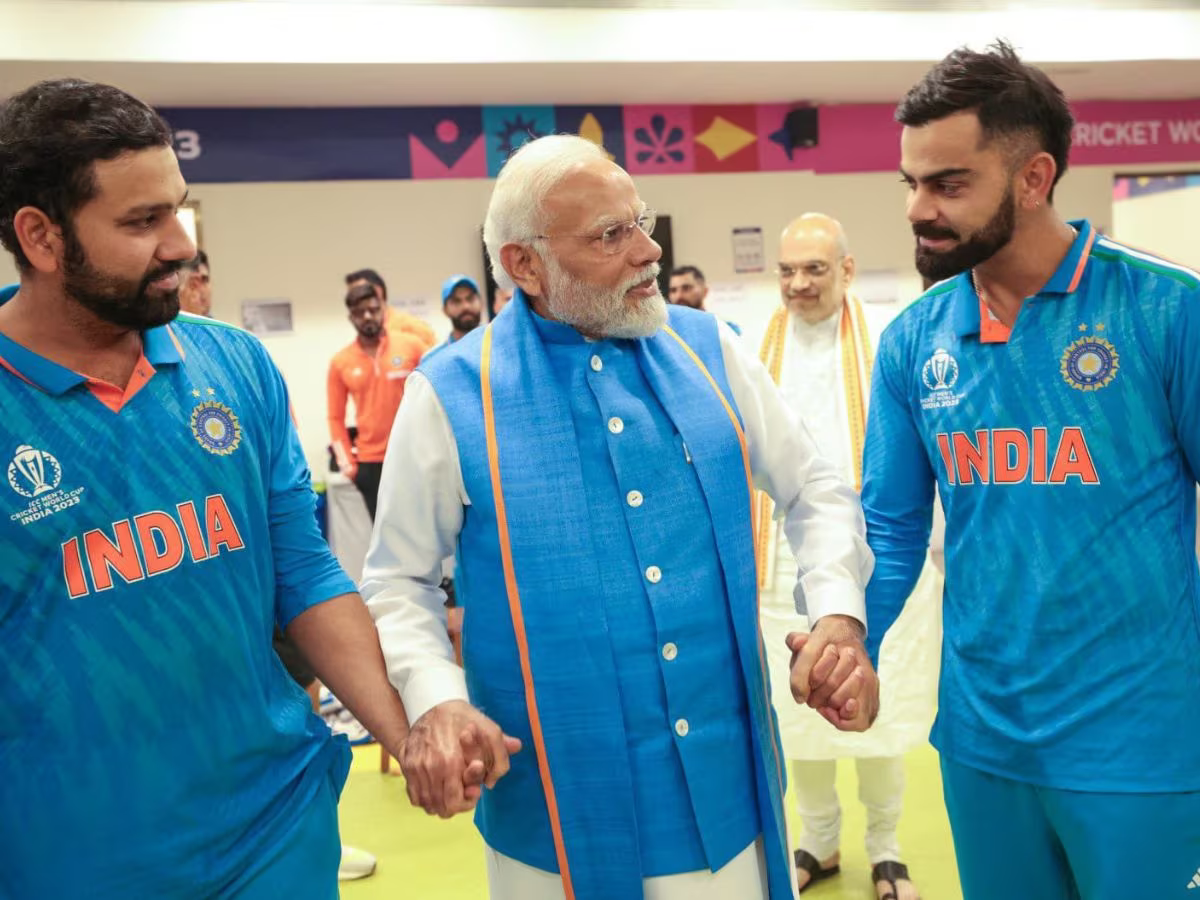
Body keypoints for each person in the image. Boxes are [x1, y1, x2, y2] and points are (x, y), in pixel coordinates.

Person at [360, 133, 879, 900]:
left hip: (728, 796)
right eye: (611, 235)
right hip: (551, 809)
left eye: (641, 223)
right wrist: (436, 697)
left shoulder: (710, 351)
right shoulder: (450, 393)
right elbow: (399, 579)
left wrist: (838, 612)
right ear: (523, 264)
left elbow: (817, 488)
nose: (648, 252)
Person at [0, 77, 417, 898]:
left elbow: (303, 573)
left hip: (273, 827)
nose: (180, 245)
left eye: (178, 209)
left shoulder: (234, 365)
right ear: (41, 238)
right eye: (141, 221)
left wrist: (404, 733)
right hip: (71, 855)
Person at [864, 40, 1200, 900]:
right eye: (910, 183)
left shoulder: (1166, 308)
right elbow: (892, 527)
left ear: (1033, 176)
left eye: (948, 184)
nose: (917, 208)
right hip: (983, 743)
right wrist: (846, 634)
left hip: (1142, 745)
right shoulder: (914, 339)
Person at [758, 213, 940, 900]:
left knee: (877, 721)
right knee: (800, 716)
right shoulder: (753, 350)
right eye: (787, 271)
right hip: (779, 568)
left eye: (815, 269)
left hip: (881, 565)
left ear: (848, 269)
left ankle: (887, 850)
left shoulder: (891, 344)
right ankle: (819, 842)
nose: (799, 284)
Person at [326, 282, 427, 519]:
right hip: (371, 464)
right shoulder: (341, 362)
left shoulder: (412, 346)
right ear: (351, 317)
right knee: (386, 536)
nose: (368, 316)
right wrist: (347, 464)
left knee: (423, 532)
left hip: (413, 454)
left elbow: (437, 392)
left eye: (373, 309)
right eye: (360, 313)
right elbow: (335, 416)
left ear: (383, 308)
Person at [345, 266, 436, 350]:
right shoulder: (365, 330)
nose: (354, 298)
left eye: (358, 291)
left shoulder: (411, 327)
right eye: (351, 294)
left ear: (377, 291)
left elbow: (433, 363)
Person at [668, 264, 741, 334]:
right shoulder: (665, 334)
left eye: (686, 288)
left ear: (705, 291)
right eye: (673, 290)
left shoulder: (725, 329)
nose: (678, 296)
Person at [428, 273, 483, 356]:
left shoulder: (500, 346)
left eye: (470, 299)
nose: (465, 306)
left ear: (481, 303)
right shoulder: (433, 357)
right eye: (456, 301)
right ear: (445, 311)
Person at [178, 248, 211, 316]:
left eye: (204, 280)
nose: (199, 288)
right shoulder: (160, 324)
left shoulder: (217, 325)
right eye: (192, 283)